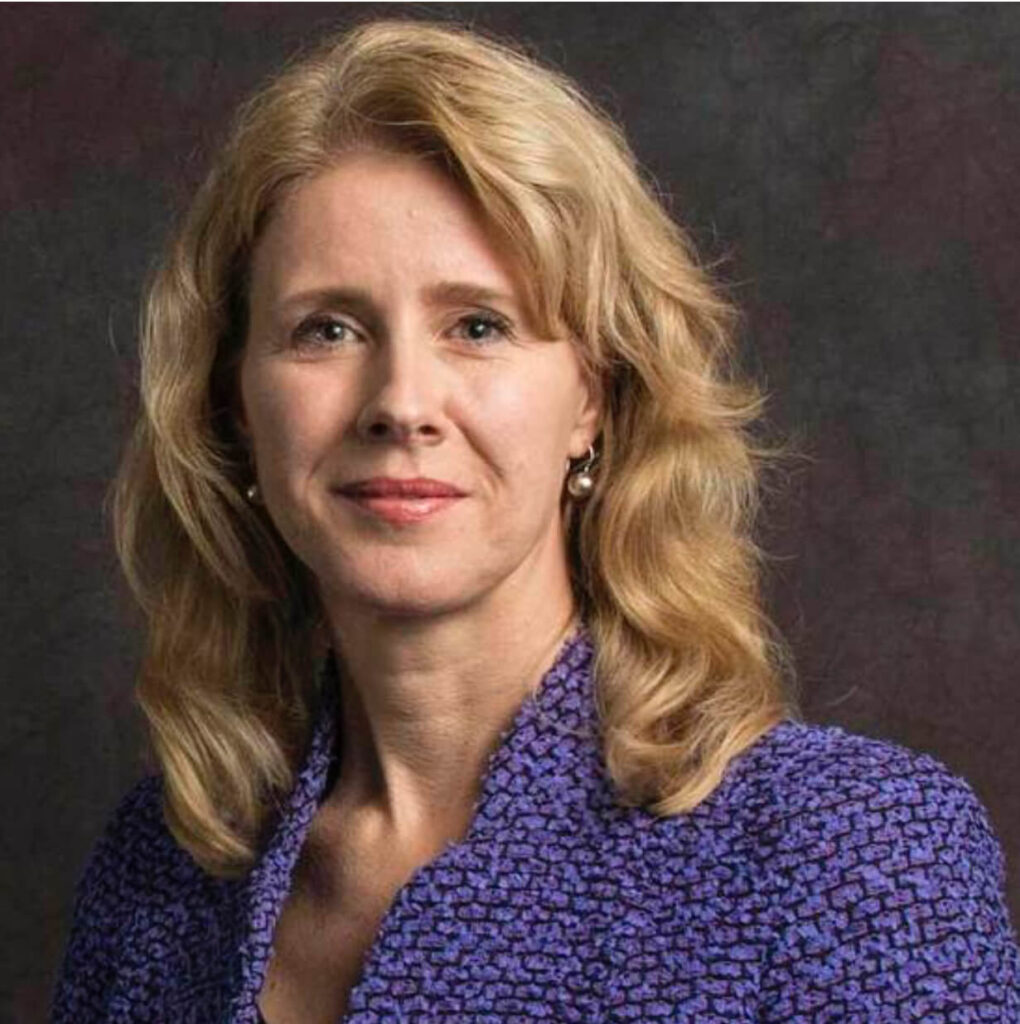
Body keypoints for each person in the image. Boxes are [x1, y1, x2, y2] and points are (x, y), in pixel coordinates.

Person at [51, 18, 1019, 1024]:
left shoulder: (853, 851)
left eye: (479, 325)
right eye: (326, 328)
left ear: (592, 398)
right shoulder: (156, 882)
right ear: (236, 406)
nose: (402, 403)